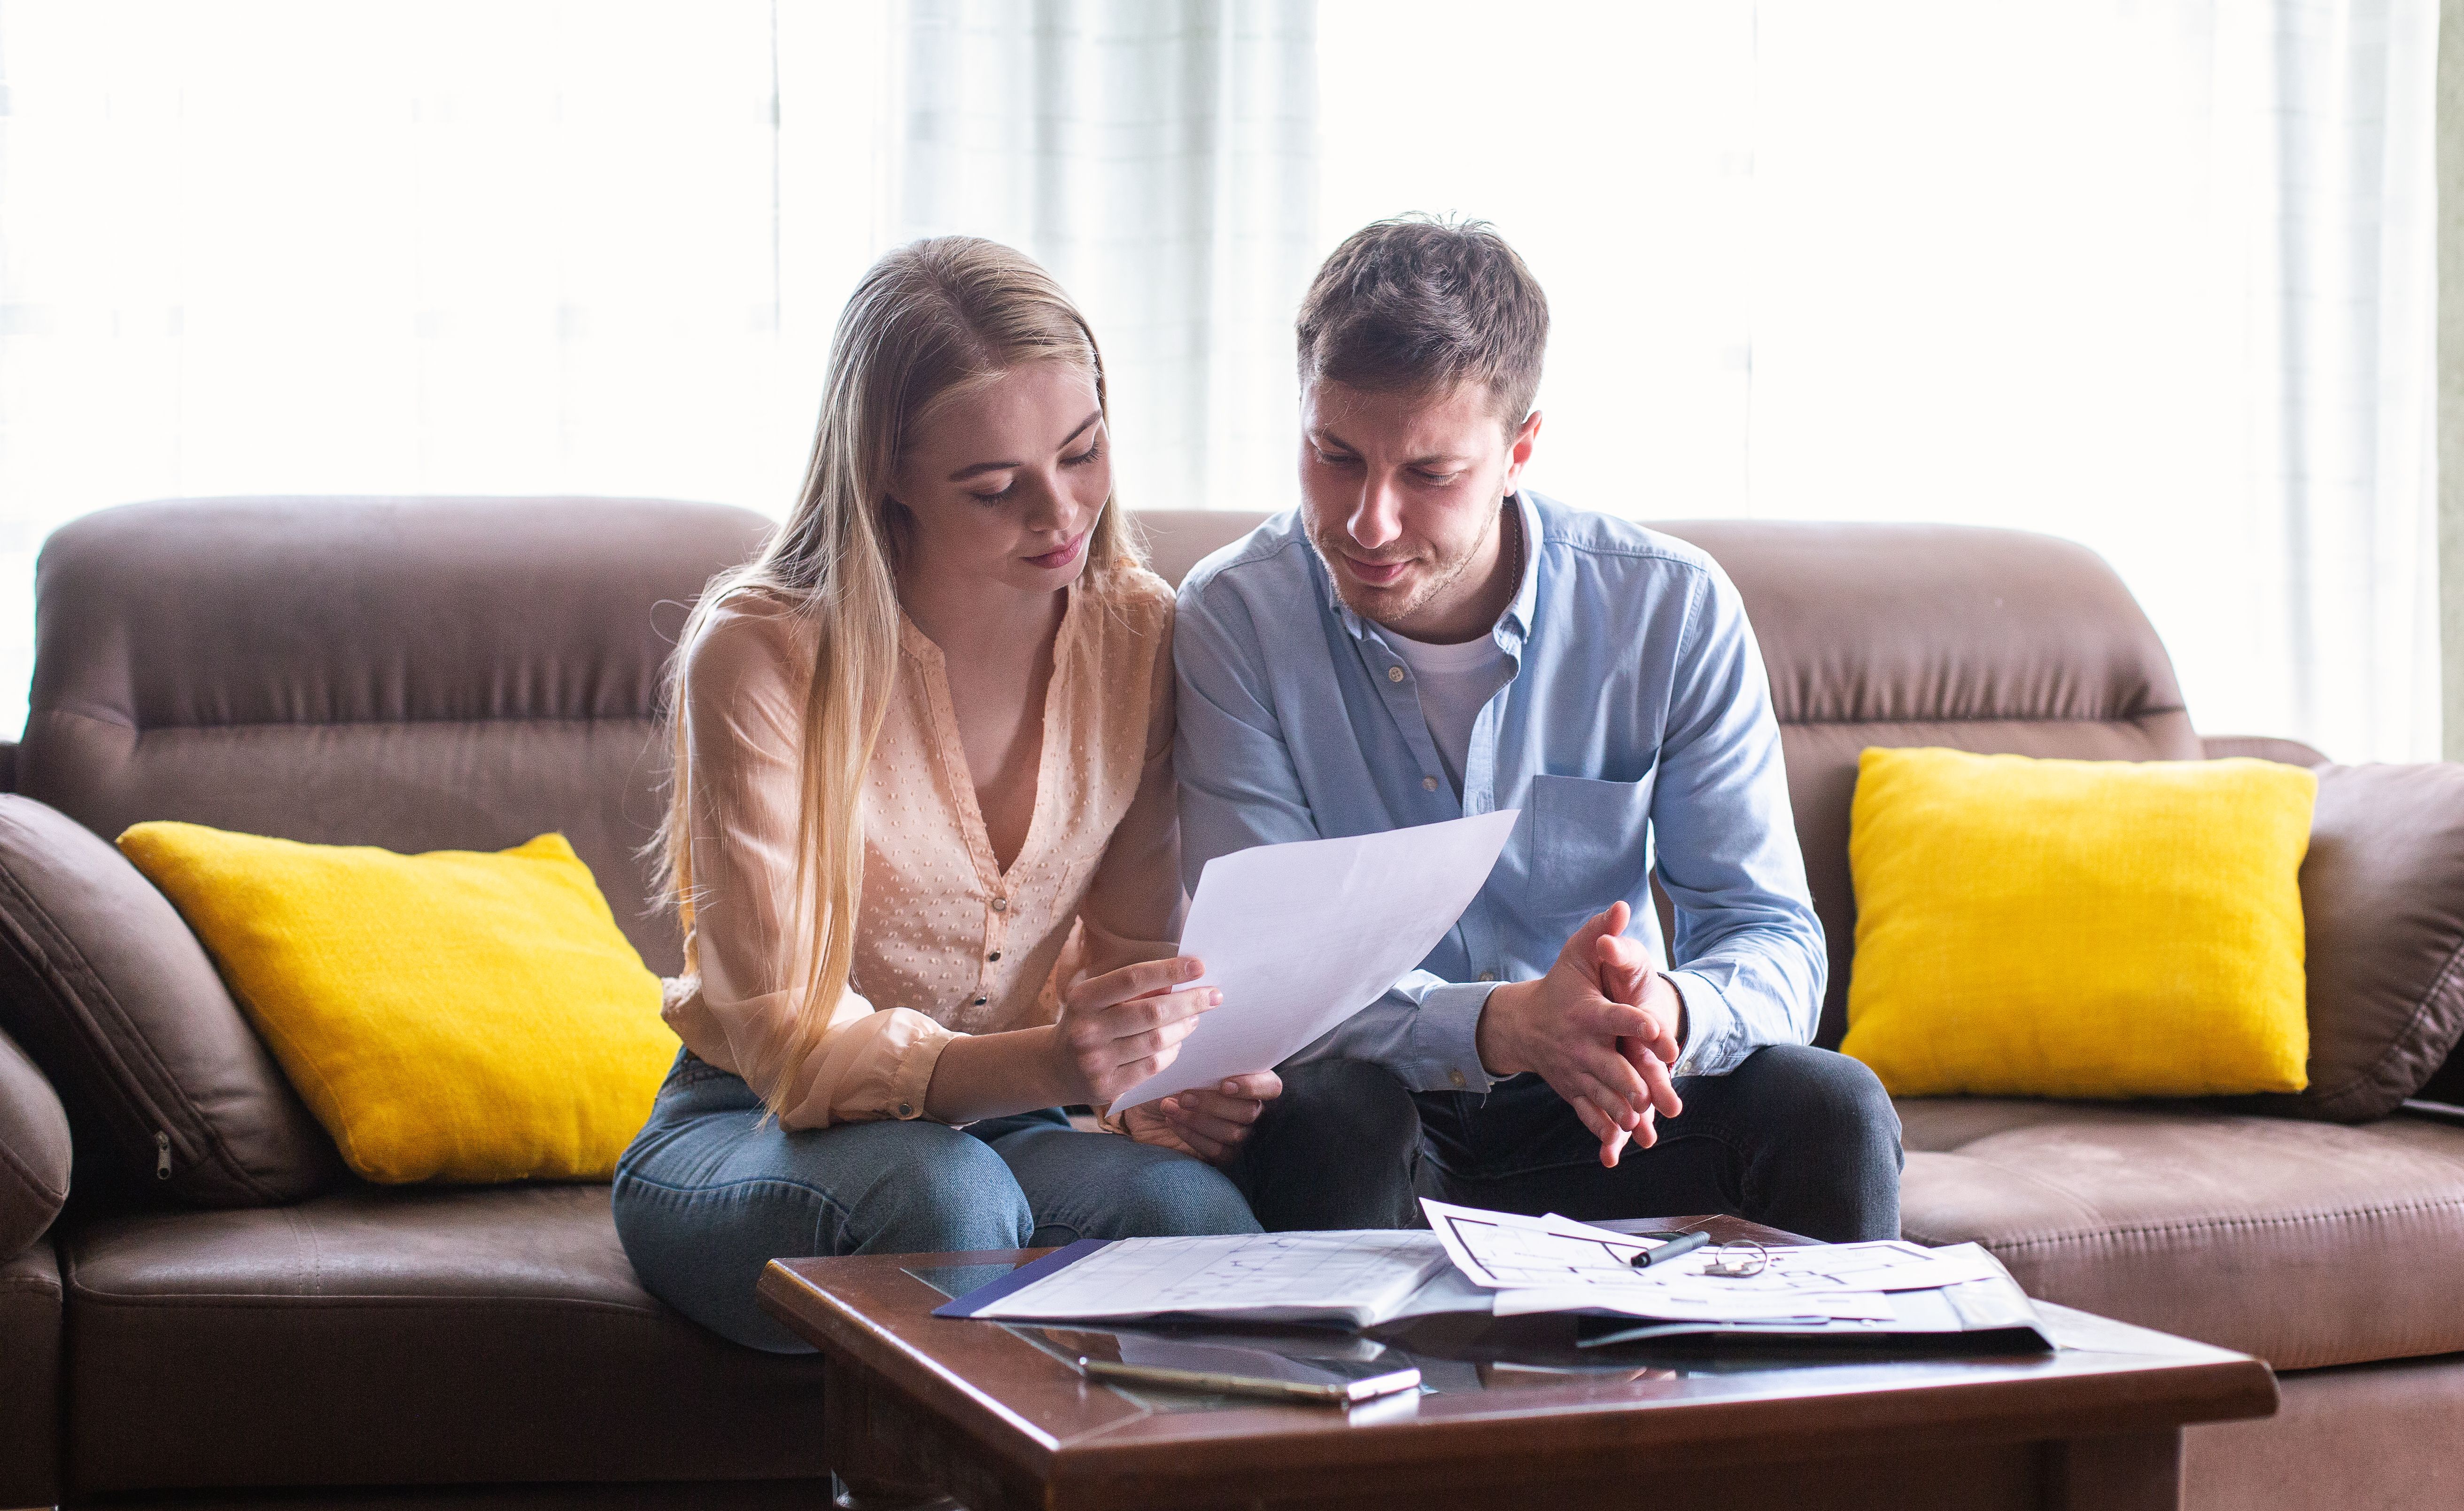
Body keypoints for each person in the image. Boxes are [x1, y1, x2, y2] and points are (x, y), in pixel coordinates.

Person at [1171, 216, 1903, 1242]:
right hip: (1377, 1112)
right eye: (1334, 456)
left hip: (1608, 1112)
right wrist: (1503, 1026)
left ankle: (1812, 1408)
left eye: (1428, 474)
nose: (1367, 522)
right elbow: (1265, 977)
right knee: (1338, 1115)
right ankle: (1341, 1404)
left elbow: (1773, 934)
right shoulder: (1234, 616)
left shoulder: (1671, 610)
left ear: (1520, 450)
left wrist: (1666, 1015)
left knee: (1832, 1109)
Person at [613, 238, 1276, 1354]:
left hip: (1014, 1124)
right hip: (747, 1122)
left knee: (1191, 1219)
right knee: (947, 1204)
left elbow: (1125, 952)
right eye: (994, 488)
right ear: (887, 476)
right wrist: (1055, 1063)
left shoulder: (1138, 629)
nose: (1060, 511)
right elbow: (785, 1039)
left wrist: (1152, 1076)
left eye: (1083, 452)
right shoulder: (764, 652)